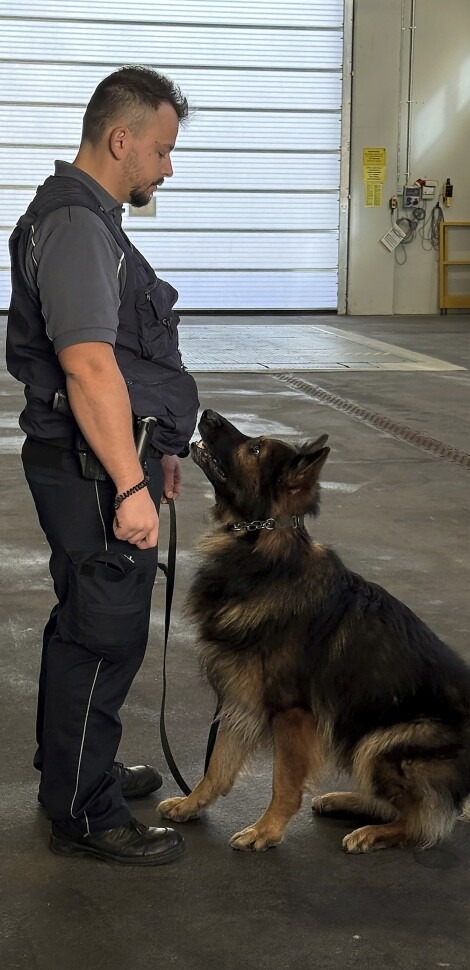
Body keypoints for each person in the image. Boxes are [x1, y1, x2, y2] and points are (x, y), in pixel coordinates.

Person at [6, 66, 199, 865]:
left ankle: (75, 765)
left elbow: (121, 358)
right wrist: (128, 483)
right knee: (105, 631)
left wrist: (157, 452)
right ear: (121, 141)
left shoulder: (94, 221)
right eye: (160, 150)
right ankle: (86, 812)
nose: (167, 167)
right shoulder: (79, 228)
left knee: (83, 617)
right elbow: (87, 366)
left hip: (107, 458)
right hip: (91, 470)